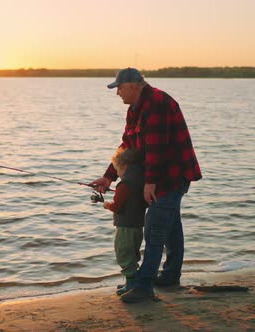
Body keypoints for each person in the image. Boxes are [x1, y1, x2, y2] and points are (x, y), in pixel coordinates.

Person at [90, 67, 202, 303]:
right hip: (157, 175)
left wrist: (149, 183)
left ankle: (143, 287)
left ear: (133, 85)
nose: (117, 92)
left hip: (172, 175)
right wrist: (109, 176)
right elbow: (127, 145)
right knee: (171, 227)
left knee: (154, 227)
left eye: (119, 87)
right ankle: (170, 276)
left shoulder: (157, 103)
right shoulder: (135, 109)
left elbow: (156, 149)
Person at [102, 148, 147, 296]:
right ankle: (131, 282)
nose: (118, 174)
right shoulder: (141, 182)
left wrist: (107, 205)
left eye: (117, 171)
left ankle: (131, 285)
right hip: (138, 226)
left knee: (124, 254)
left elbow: (117, 207)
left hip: (125, 227)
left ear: (124, 167)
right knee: (133, 254)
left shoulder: (124, 185)